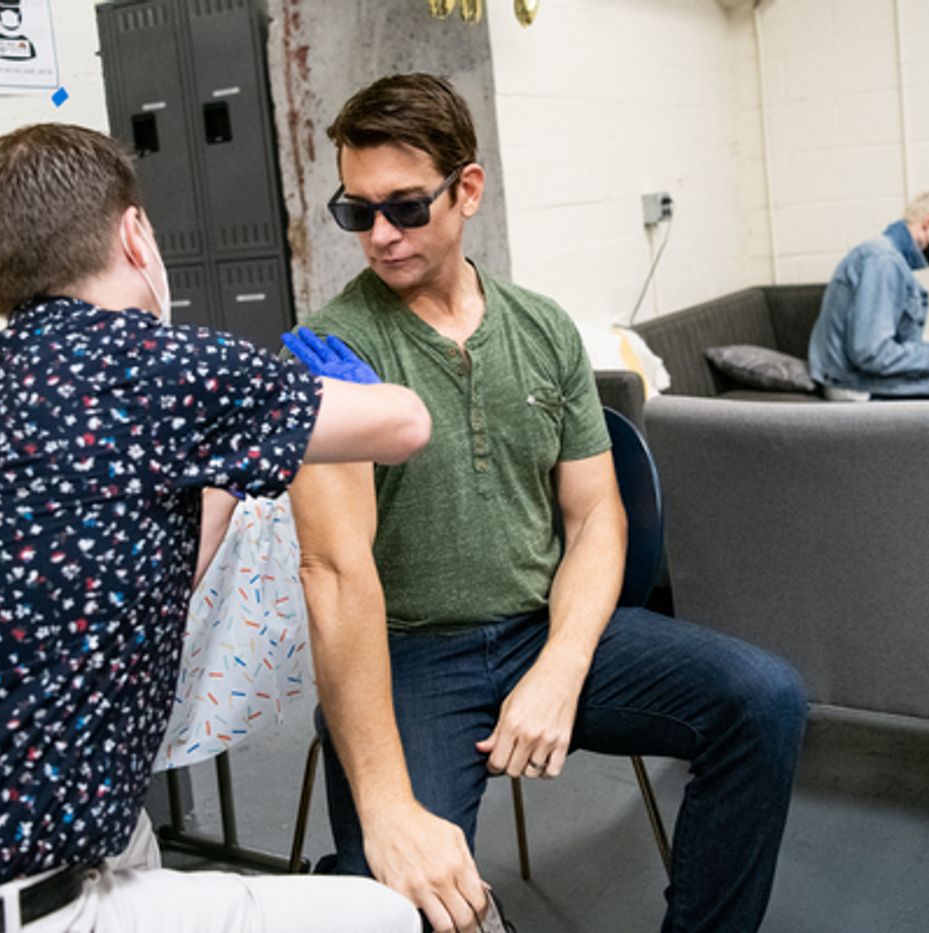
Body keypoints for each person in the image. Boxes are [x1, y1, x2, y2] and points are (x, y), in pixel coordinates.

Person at [0, 122, 431, 933]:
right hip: (12, 903)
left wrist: (232, 450)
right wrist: (299, 390)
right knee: (386, 917)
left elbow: (143, 572)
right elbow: (404, 424)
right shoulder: (155, 361)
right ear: (136, 234)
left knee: (133, 840)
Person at [286, 73, 807, 933]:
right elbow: (336, 573)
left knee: (766, 698)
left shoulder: (543, 329)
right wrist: (386, 811)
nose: (379, 236)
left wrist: (560, 667)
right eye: (357, 211)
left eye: (407, 208)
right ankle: (347, 874)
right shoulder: (335, 349)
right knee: (406, 899)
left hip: (546, 625)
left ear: (468, 190)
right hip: (413, 654)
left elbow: (597, 516)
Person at [807, 189, 929, 403]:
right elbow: (871, 353)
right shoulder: (883, 261)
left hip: (867, 380)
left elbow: (892, 346)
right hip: (859, 386)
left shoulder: (889, 260)